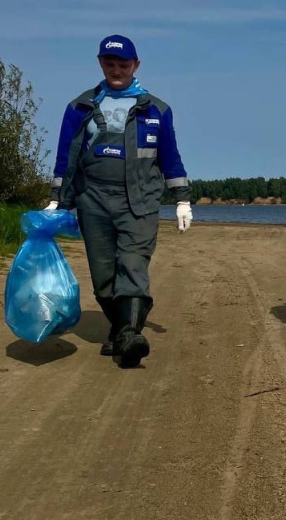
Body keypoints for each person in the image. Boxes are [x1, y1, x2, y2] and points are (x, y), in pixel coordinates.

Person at [45, 35, 192, 368]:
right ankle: (120, 329)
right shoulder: (79, 107)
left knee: (133, 264)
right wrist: (57, 200)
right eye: (109, 64)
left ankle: (130, 336)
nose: (116, 70)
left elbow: (170, 157)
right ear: (100, 63)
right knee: (103, 276)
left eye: (123, 65)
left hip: (139, 200)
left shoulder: (156, 109)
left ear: (135, 66)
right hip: (92, 200)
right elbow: (65, 157)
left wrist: (182, 200)